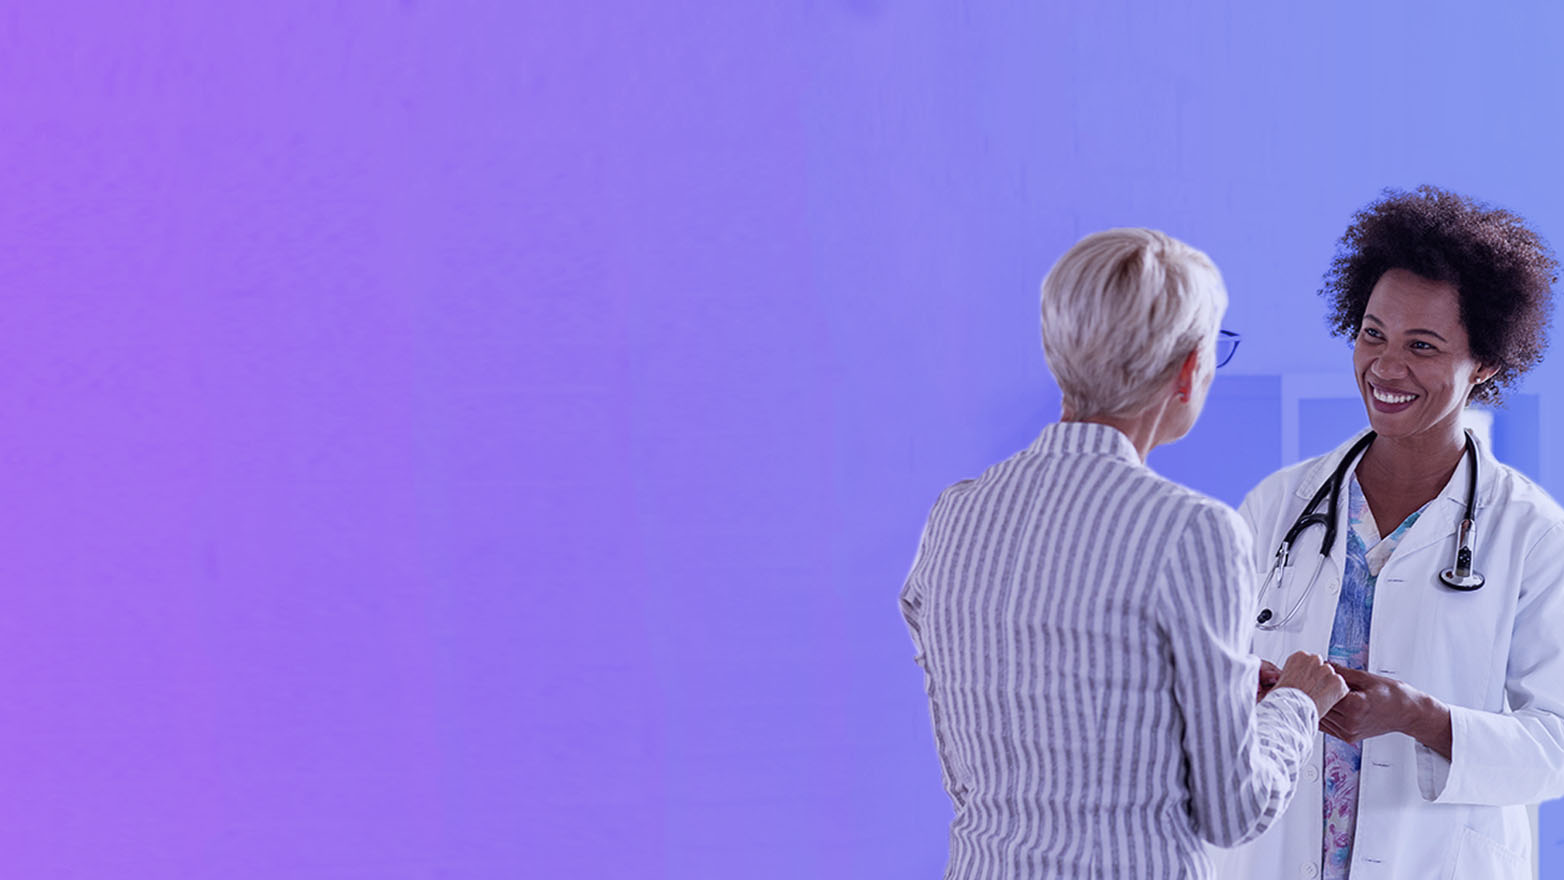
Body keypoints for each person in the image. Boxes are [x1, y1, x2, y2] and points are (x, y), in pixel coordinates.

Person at [900, 227, 1347, 879]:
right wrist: (1299, 703)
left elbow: (990, 738)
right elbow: (1235, 810)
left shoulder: (955, 514)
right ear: (1188, 370)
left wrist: (1202, 686)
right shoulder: (1195, 531)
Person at [1213, 186, 1564, 880]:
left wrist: (1421, 718)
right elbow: (1205, 691)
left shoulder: (1531, 533)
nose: (1386, 367)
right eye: (1373, 334)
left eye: (1422, 346)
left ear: (1485, 364)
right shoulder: (1276, 506)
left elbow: (1556, 744)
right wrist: (1240, 687)